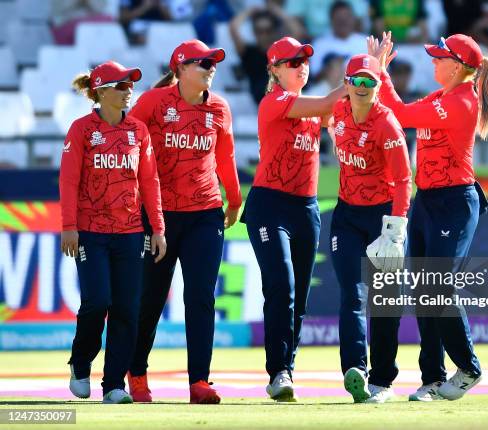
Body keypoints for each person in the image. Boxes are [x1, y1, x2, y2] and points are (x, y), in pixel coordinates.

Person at [368, 32, 488, 401]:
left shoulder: (461, 100)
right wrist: (381, 76)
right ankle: (433, 378)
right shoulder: (442, 97)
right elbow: (399, 111)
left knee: (438, 284)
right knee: (426, 290)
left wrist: (380, 73)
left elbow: (401, 114)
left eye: (439, 57)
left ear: (457, 66)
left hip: (454, 201)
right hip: (427, 200)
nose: (433, 61)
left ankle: (469, 367)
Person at [126, 39, 242, 404]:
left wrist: (235, 198)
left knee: (201, 297)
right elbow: (125, 140)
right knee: (151, 299)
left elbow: (226, 155)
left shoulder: (220, 107)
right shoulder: (153, 102)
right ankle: (137, 372)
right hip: (157, 215)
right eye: (202, 63)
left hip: (206, 213)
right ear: (179, 68)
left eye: (212, 63)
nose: (210, 68)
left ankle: (199, 382)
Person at [241, 36, 346, 402]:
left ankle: (287, 368)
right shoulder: (275, 101)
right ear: (274, 70)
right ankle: (278, 372)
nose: (301, 65)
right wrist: (366, 74)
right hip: (270, 205)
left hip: (306, 207)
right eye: (291, 61)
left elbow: (338, 121)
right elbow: (331, 101)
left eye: (303, 59)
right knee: (282, 287)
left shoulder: (312, 107)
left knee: (298, 296)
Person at [60, 61, 166, 404]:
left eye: (130, 85)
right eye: (121, 86)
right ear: (102, 91)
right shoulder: (81, 130)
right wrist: (69, 226)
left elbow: (149, 181)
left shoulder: (138, 130)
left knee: (126, 308)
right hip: (90, 231)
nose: (128, 91)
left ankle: (113, 385)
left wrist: (158, 228)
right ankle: (80, 362)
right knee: (97, 301)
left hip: (131, 231)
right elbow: (69, 180)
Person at [328, 54, 411, 403]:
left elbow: (405, 179)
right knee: (352, 294)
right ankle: (356, 371)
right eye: (356, 81)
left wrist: (395, 231)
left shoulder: (387, 124)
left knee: (385, 302)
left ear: (378, 87)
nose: (362, 88)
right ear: (346, 84)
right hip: (346, 215)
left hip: (383, 217)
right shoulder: (337, 110)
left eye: (369, 82)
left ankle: (383, 381)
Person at [230, 4, 303, 104]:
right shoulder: (249, 52)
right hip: (262, 102)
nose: (264, 36)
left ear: (274, 31)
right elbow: (233, 28)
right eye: (259, 31)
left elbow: (297, 32)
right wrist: (250, 11)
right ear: (254, 32)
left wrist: (275, 10)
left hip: (285, 100)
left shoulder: (283, 51)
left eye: (268, 31)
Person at [310, 1, 368, 76]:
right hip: (328, 87)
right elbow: (314, 76)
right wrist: (331, 67)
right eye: (339, 19)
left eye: (347, 18)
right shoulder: (319, 44)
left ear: (353, 19)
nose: (343, 22)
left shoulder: (365, 42)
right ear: (331, 20)